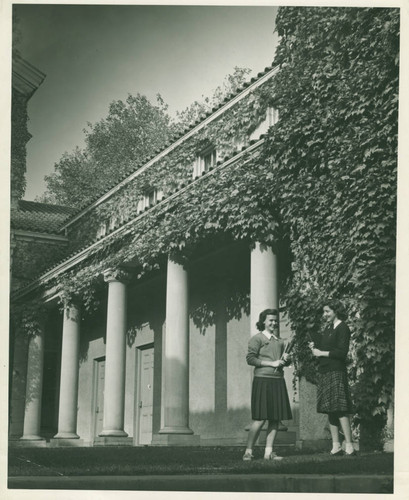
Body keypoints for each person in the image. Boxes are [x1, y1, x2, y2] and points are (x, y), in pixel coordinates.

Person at [243, 308, 292, 461]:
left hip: (277, 381)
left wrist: (287, 360)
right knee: (260, 418)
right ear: (263, 321)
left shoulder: (280, 341)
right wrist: (272, 363)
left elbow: (282, 362)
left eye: (276, 320)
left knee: (275, 418)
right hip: (262, 381)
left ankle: (268, 452)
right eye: (270, 320)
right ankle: (249, 451)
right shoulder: (257, 338)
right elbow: (250, 359)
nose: (273, 323)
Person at [309, 299, 355, 456]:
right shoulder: (328, 328)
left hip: (336, 371)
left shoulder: (343, 328)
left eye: (327, 311)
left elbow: (341, 353)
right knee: (330, 409)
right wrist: (315, 348)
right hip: (325, 371)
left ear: (336, 311)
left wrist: (320, 353)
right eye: (324, 311)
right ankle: (336, 446)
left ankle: (349, 445)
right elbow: (324, 348)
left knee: (340, 408)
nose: (325, 314)